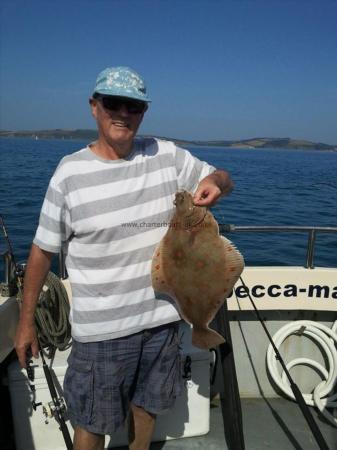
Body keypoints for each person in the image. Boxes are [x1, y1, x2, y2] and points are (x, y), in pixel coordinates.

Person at [15, 66, 233, 450]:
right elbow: (41, 251)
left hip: (163, 320)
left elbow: (221, 175)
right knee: (92, 421)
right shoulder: (69, 174)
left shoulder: (166, 155)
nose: (122, 113)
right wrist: (25, 322)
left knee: (148, 409)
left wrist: (214, 183)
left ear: (143, 112)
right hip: (102, 331)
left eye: (132, 106)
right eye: (112, 103)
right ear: (94, 107)